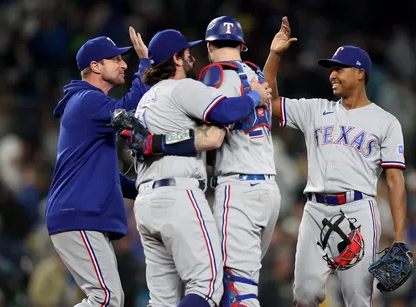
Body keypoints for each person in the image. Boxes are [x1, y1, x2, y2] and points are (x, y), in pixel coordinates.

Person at [263, 17, 410, 307]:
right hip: (315, 210)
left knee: (357, 299)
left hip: (359, 210)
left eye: (338, 68)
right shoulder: (315, 109)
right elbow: (267, 102)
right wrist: (275, 55)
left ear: (360, 73)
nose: (332, 74)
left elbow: (395, 181)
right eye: (331, 69)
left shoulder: (386, 122)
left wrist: (401, 237)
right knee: (304, 295)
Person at [133, 29, 272, 307]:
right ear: (176, 58)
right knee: (207, 287)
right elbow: (224, 112)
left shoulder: (144, 101)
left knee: (162, 301)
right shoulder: (183, 87)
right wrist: (254, 97)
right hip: (178, 195)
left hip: (145, 201)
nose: (191, 57)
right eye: (186, 52)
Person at [46, 27, 150, 307]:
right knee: (105, 298)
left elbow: (107, 176)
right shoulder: (87, 100)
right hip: (78, 214)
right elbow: (131, 111)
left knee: (107, 298)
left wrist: (143, 188)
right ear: (95, 66)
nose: (124, 64)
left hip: (78, 215)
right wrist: (146, 67)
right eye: (116, 59)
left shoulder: (88, 104)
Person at [198, 16, 282, 307]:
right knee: (241, 283)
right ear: (241, 45)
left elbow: (218, 118)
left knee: (237, 290)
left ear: (209, 45)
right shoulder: (257, 75)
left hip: (238, 188)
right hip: (268, 190)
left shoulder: (215, 74)